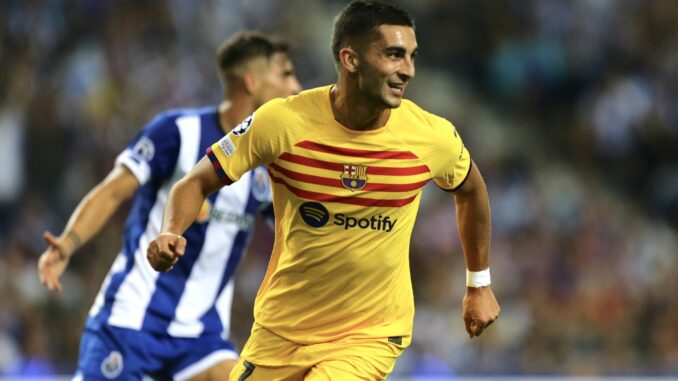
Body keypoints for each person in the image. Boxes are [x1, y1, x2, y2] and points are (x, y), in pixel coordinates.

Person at [147, 1, 500, 379]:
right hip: (282, 331)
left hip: (368, 336)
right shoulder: (282, 122)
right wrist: (171, 231)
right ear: (350, 59)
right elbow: (196, 181)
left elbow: (472, 192)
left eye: (411, 56)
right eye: (394, 55)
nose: (408, 71)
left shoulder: (431, 136)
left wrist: (478, 283)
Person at [37, 31, 301, 381]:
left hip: (201, 338)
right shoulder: (179, 132)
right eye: (284, 75)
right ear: (251, 82)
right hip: (132, 321)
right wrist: (68, 243)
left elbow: (300, 229)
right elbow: (113, 190)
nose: (295, 87)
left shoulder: (269, 167)